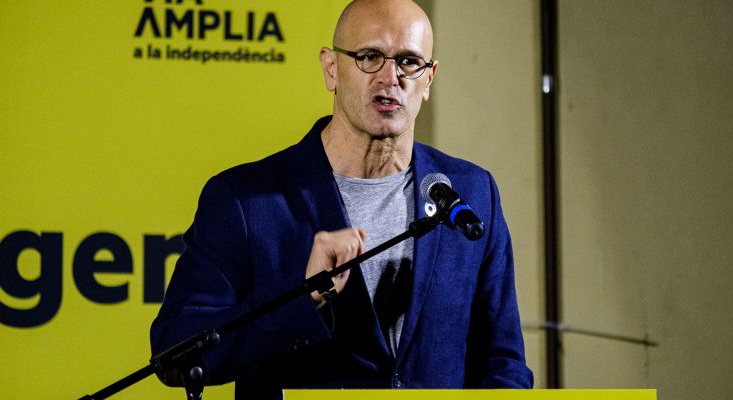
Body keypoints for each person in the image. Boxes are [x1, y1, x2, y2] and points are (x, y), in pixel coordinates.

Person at [150, 0, 533, 398]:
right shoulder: (246, 200)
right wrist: (303, 296)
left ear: (429, 79)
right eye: (369, 57)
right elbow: (173, 351)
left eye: (408, 61)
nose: (391, 77)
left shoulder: (471, 193)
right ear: (331, 69)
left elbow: (502, 361)